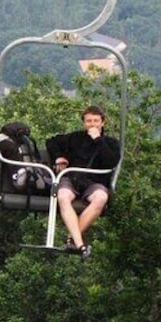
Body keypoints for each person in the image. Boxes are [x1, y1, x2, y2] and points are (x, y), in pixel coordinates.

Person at [46, 105, 121, 260]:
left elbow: (110, 161)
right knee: (63, 196)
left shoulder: (111, 143)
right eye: (89, 121)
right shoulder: (75, 138)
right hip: (72, 178)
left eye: (96, 121)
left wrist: (98, 140)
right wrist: (59, 156)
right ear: (84, 123)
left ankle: (74, 240)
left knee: (101, 198)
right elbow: (52, 142)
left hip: (94, 180)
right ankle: (79, 243)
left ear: (102, 123)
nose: (92, 124)